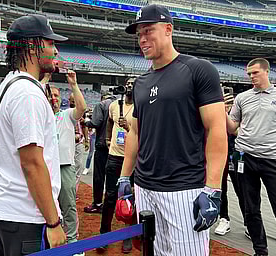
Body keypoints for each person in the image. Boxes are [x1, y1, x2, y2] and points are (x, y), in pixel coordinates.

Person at [119, 4, 227, 255]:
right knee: (151, 252)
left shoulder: (198, 69)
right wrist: (125, 177)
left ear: (168, 29)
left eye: (148, 31)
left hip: (184, 189)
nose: (143, 39)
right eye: (139, 34)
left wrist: (212, 189)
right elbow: (135, 132)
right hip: (144, 187)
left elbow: (216, 130)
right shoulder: (141, 82)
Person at [0, 14, 67, 255]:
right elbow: (32, 163)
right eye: (50, 43)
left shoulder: (10, 84)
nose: (55, 51)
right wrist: (53, 222)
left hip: (8, 210)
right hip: (26, 216)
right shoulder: (28, 94)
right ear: (34, 45)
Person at [226, 58, 276, 256]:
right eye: (248, 74)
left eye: (255, 72)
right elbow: (232, 127)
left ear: (266, 71)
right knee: (250, 209)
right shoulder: (242, 98)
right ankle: (260, 251)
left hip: (273, 158)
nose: (251, 77)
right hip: (243, 156)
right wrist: (221, 111)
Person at [98, 77, 135, 254]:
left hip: (133, 160)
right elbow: (110, 122)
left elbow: (142, 133)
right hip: (114, 157)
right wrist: (107, 138)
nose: (129, 86)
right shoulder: (114, 105)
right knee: (110, 197)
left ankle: (128, 236)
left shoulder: (141, 107)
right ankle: (104, 235)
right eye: (127, 83)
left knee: (129, 198)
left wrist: (128, 127)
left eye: (133, 84)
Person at [50, 77, 86, 255]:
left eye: (56, 95)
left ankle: (72, 240)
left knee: (69, 205)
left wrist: (74, 84)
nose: (53, 98)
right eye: (50, 94)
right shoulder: (40, 115)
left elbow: (82, 108)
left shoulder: (66, 115)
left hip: (64, 166)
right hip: (46, 167)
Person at [214, 95, 248, 237]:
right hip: (219, 153)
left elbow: (238, 132)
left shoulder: (242, 112)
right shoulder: (214, 111)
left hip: (237, 154)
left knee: (243, 190)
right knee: (220, 188)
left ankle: (249, 222)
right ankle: (224, 218)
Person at [83, 93, 115, 213]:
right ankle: (112, 204)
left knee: (99, 177)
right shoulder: (118, 105)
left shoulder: (101, 105)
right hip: (116, 147)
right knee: (113, 177)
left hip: (102, 145)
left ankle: (97, 203)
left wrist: (86, 121)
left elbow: (96, 122)